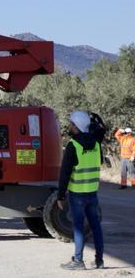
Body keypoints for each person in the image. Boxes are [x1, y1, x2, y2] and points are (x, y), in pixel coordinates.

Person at [58, 110, 105, 270]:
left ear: (76, 126)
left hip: (77, 193)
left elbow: (65, 173)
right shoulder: (97, 144)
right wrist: (96, 122)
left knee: (78, 227)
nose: (69, 126)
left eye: (71, 124)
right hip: (92, 192)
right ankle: (99, 260)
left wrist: (60, 195)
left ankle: (78, 261)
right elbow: (100, 132)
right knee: (95, 226)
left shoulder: (73, 145)